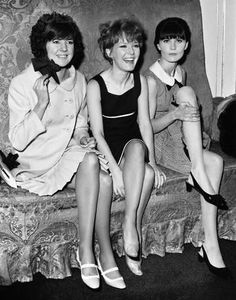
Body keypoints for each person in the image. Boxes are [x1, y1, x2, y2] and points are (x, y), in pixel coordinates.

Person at [8, 12, 126, 289]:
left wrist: (83, 136)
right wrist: (40, 104)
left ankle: (96, 251)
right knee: (102, 177)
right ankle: (94, 252)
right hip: (35, 163)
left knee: (100, 172)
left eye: (69, 42)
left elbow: (80, 124)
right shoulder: (23, 83)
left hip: (66, 157)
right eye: (55, 41)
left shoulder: (80, 80)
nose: (63, 49)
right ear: (43, 46)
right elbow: (17, 141)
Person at [145, 17, 231, 278]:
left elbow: (186, 115)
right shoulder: (149, 80)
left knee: (215, 161)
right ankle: (197, 171)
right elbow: (146, 125)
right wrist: (175, 116)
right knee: (185, 94)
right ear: (158, 45)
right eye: (167, 40)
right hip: (160, 142)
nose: (173, 46)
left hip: (180, 140)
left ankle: (209, 241)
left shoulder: (180, 73)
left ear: (186, 45)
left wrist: (197, 132)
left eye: (179, 40)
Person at [87, 18, 165, 277]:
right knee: (148, 176)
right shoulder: (95, 85)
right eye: (123, 47)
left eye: (135, 45)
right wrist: (114, 170)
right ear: (109, 52)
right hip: (108, 149)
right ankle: (133, 229)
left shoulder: (141, 82)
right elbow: (97, 132)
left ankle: (129, 223)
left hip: (133, 149)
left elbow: (144, 124)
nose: (131, 53)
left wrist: (152, 160)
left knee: (142, 156)